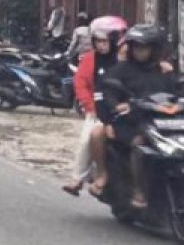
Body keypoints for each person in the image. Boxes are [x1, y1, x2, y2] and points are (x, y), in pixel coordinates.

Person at [93, 24, 176, 207]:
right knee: (139, 144)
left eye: (144, 47)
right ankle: (138, 191)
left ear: (154, 49)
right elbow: (106, 93)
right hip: (131, 124)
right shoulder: (120, 70)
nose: (140, 51)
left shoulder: (164, 71)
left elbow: (176, 92)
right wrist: (116, 109)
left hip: (163, 124)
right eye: (136, 47)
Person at [62, 15, 125, 196]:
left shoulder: (125, 60)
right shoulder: (90, 59)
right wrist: (90, 106)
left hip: (124, 109)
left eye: (105, 41)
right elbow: (80, 83)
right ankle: (77, 179)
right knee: (86, 140)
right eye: (97, 41)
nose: (101, 45)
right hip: (99, 110)